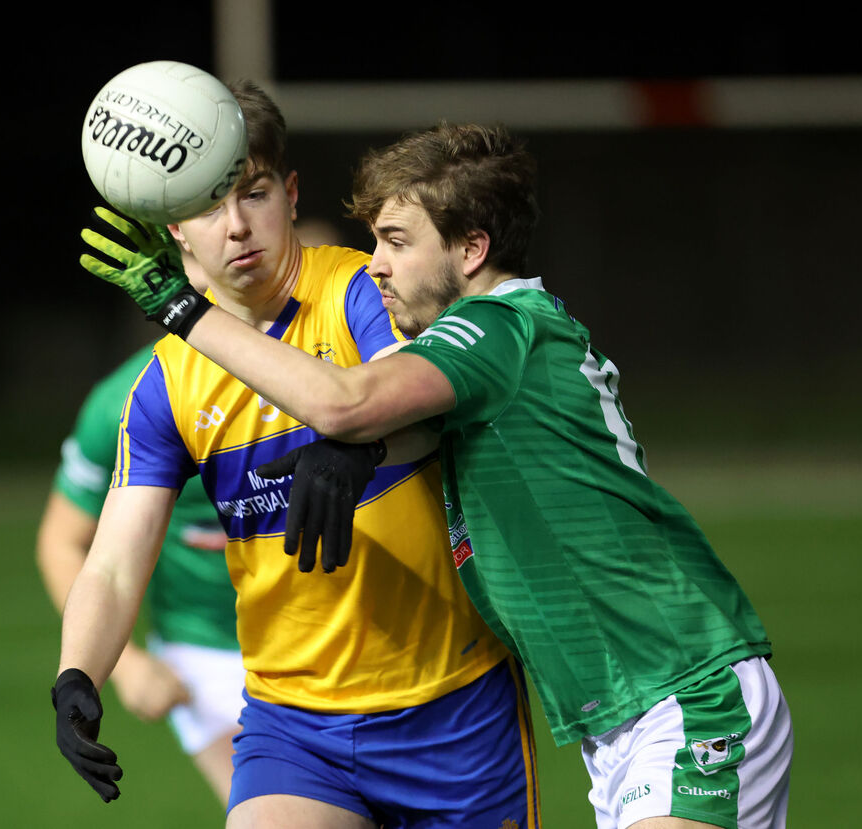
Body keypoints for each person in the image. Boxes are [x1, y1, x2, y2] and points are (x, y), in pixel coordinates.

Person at [87, 121, 794, 829]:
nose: (376, 265)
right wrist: (349, 452)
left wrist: (181, 308)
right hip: (620, 721)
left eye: (396, 241)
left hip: (689, 690)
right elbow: (396, 426)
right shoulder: (476, 360)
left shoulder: (495, 324)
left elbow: (346, 399)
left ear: (471, 248)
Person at [56, 85, 541, 828]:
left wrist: (361, 447)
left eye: (253, 194)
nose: (238, 226)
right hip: (295, 725)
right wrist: (79, 673)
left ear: (289, 194)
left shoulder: (362, 290)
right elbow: (115, 559)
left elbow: (431, 408)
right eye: (208, 206)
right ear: (174, 228)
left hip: (453, 706)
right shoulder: (164, 385)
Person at [37, 334, 243, 803]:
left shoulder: (334, 364)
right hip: (206, 657)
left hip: (345, 638)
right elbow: (62, 540)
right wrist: (125, 667)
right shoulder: (125, 401)